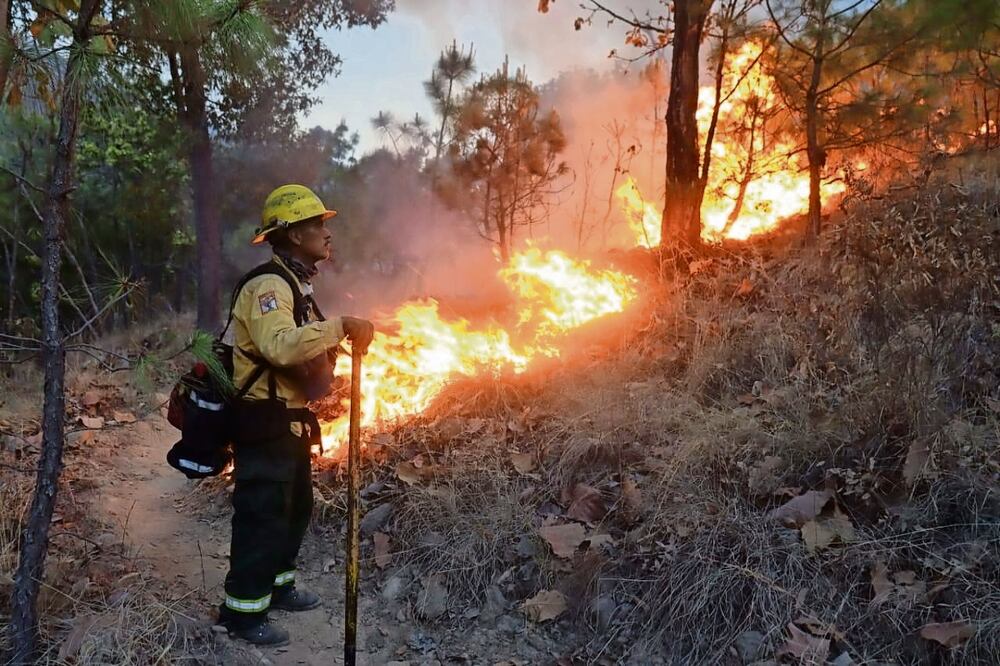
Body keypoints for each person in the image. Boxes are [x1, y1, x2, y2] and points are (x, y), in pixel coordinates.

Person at [217, 184, 374, 646]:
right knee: (262, 514)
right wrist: (339, 327)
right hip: (263, 418)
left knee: (294, 508)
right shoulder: (269, 285)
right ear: (289, 234)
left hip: (288, 417)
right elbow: (279, 345)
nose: (326, 233)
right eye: (316, 225)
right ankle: (242, 613)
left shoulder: (297, 282)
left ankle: (277, 587)